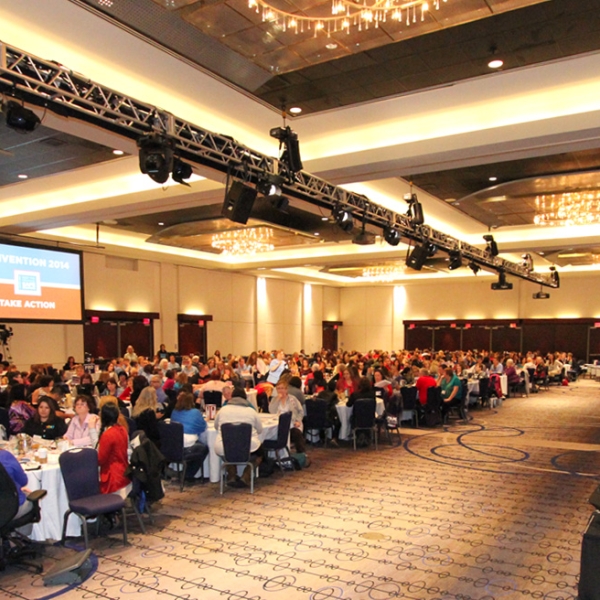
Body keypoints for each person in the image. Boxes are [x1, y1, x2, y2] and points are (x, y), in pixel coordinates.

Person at [214, 387, 264, 488]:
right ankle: (246, 476)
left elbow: (216, 426)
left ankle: (231, 475)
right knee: (260, 453)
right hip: (248, 447)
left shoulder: (222, 410)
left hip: (224, 447)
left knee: (228, 450)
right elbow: (259, 429)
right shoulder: (251, 411)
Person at [170, 391, 209, 481]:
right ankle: (188, 474)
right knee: (204, 448)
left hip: (175, 443)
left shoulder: (174, 412)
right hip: (188, 444)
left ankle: (185, 472)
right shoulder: (195, 412)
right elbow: (202, 427)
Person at [97, 403, 131, 498]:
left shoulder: (108, 435)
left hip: (112, 477)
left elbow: (100, 459)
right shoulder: (122, 430)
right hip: (124, 472)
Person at [0, 449, 34, 534]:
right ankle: (20, 539)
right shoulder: (5, 456)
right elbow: (23, 481)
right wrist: (16, 487)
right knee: (30, 498)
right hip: (9, 508)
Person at [269, 379, 306, 454]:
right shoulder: (274, 399)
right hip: (278, 424)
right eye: (278, 388)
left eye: (282, 388)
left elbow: (301, 411)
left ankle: (301, 453)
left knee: (296, 433)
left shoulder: (293, 399)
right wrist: (277, 400)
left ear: (286, 389)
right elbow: (271, 411)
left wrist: (298, 420)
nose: (280, 390)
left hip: (292, 423)